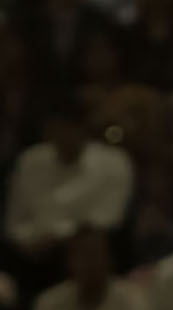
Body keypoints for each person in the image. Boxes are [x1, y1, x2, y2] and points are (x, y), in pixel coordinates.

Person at [3, 109, 132, 266]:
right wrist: (32, 241)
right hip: (30, 258)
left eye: (68, 128)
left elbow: (108, 219)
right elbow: (14, 224)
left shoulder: (112, 161)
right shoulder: (30, 160)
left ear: (83, 129)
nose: (63, 135)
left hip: (88, 254)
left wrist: (60, 237)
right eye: (56, 129)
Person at [28, 230, 150, 310]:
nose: (90, 263)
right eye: (83, 256)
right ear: (69, 262)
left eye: (95, 254)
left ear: (109, 259)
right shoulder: (48, 304)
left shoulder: (134, 301)